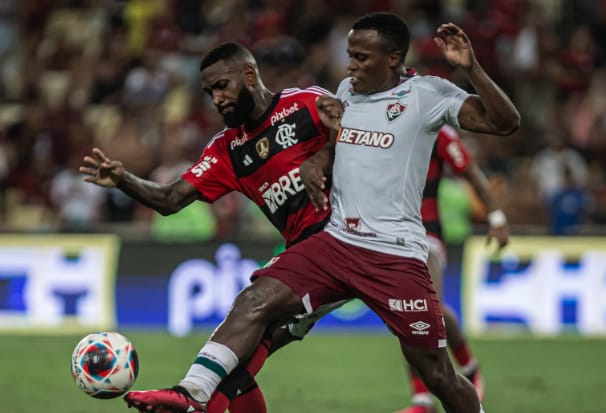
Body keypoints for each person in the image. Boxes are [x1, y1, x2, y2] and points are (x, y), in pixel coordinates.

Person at [123, 12, 519, 413]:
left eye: (362, 57)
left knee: (438, 375)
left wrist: (473, 70)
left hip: (395, 252)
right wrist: (317, 161)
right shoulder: (346, 92)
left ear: (393, 58)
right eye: (350, 55)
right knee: (255, 301)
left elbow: (505, 123)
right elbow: (341, 143)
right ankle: (192, 393)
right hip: (336, 241)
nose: (351, 65)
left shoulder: (428, 94)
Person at [80, 41, 342, 413]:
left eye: (222, 85)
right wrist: (124, 180)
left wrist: (319, 160)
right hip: (306, 254)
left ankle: (191, 395)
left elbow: (354, 131)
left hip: (346, 237)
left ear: (249, 75)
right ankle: (195, 397)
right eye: (209, 92)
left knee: (250, 307)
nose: (216, 99)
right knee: (235, 362)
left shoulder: (305, 104)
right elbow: (171, 199)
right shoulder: (227, 150)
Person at [395, 125, 510, 413]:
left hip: (427, 232)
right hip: (389, 232)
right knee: (406, 313)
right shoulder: (379, 122)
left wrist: (495, 217)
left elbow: (469, 171)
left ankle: (467, 366)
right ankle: (422, 398)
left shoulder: (435, 129)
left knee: (427, 309)